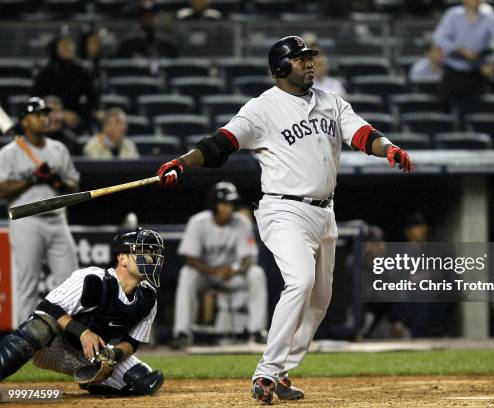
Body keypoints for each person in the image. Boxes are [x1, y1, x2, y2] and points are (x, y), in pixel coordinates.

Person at [155, 35, 413, 403]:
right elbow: (220, 143)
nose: (309, 63)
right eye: (299, 58)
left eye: (310, 57)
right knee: (301, 281)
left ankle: (280, 372)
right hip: (284, 209)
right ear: (280, 67)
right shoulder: (262, 109)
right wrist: (183, 162)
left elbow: (363, 134)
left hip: (325, 212)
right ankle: (265, 372)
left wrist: (388, 149)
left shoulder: (331, 102)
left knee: (320, 300)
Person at [0, 228, 165, 396]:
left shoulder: (148, 298)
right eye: (142, 251)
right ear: (122, 258)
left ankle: (94, 384)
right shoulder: (94, 280)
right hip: (53, 346)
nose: (151, 258)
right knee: (38, 327)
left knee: (143, 381)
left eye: (151, 252)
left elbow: (132, 343)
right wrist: (83, 332)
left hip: (91, 355)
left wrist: (112, 354)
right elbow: (46, 308)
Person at [0, 97, 80, 323]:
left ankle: (71, 342)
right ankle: (23, 345)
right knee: (27, 285)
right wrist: (32, 178)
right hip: (27, 220)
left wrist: (57, 181)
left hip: (57, 219)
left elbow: (74, 185)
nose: (44, 118)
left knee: (72, 283)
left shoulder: (58, 149)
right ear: (25, 121)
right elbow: (1, 189)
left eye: (45, 114)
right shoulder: (9, 153)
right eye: (38, 114)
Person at [171, 182, 268, 348]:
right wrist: (213, 270)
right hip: (206, 275)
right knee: (187, 273)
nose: (229, 208)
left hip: (232, 276)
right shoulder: (198, 222)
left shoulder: (241, 222)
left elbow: (248, 258)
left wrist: (235, 269)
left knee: (256, 273)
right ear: (214, 205)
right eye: (225, 204)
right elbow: (190, 258)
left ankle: (257, 330)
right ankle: (182, 332)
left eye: (231, 204)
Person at [433, 0, 494, 102]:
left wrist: (493, 63)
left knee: (479, 111)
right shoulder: (453, 15)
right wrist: (459, 49)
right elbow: (439, 38)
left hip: (478, 72)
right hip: (453, 72)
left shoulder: (491, 18)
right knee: (446, 107)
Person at [32, 35, 99, 133]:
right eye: (64, 45)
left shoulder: (82, 72)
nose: (70, 48)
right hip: (49, 121)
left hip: (77, 121)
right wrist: (60, 114)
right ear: (55, 50)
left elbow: (92, 99)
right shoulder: (45, 74)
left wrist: (79, 115)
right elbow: (36, 100)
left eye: (71, 45)